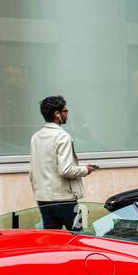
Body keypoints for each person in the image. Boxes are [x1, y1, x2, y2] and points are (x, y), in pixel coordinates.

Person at [29, 95, 95, 231]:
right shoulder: (62, 137)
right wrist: (85, 169)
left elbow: (33, 170)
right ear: (57, 114)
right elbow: (66, 170)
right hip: (65, 200)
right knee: (78, 236)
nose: (67, 114)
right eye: (65, 111)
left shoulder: (36, 137)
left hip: (43, 199)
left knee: (53, 241)